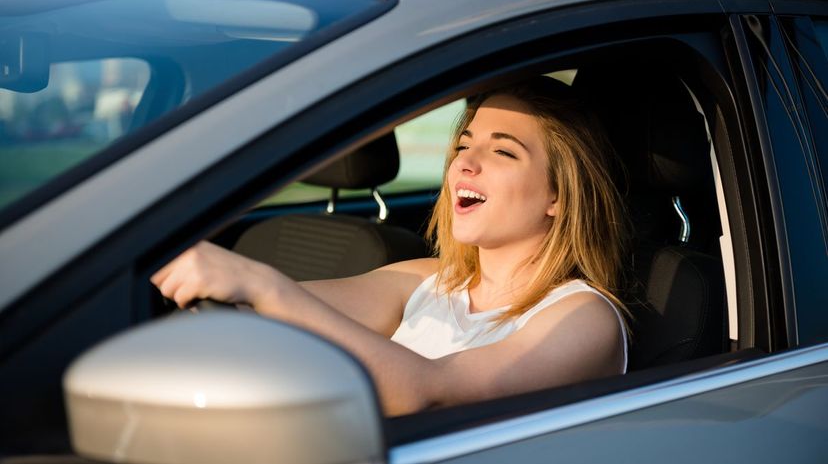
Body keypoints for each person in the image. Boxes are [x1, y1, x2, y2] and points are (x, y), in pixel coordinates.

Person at [152, 76, 629, 417]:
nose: (466, 162)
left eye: (502, 151)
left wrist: (263, 285)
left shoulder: (584, 317)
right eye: (464, 144)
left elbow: (434, 393)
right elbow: (278, 318)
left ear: (558, 196)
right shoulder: (425, 279)